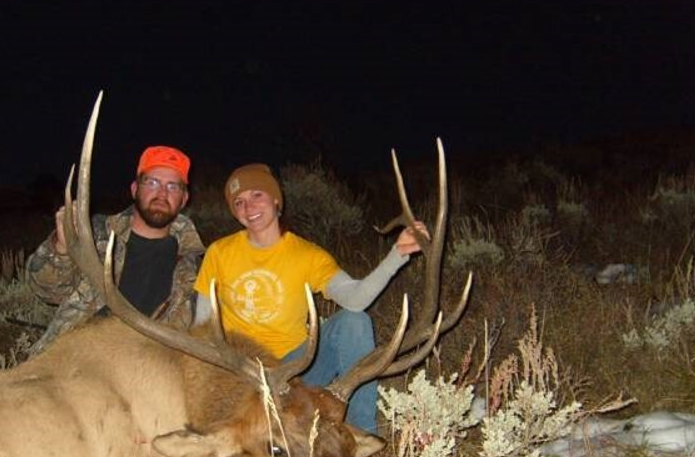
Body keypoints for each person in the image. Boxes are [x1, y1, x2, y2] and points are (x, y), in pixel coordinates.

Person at [193, 163, 427, 433]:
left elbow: (356, 298)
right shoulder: (219, 253)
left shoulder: (307, 255)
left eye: (257, 195)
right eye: (239, 202)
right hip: (242, 370)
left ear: (276, 199)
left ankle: (361, 432)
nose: (249, 207)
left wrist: (397, 255)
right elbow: (201, 323)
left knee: (354, 321)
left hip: (297, 367)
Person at [26, 145, 204, 354]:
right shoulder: (94, 234)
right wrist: (62, 248)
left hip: (145, 371)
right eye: (152, 182)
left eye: (173, 186)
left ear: (184, 199)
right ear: (134, 189)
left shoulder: (195, 266)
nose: (162, 193)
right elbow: (47, 291)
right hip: (72, 358)